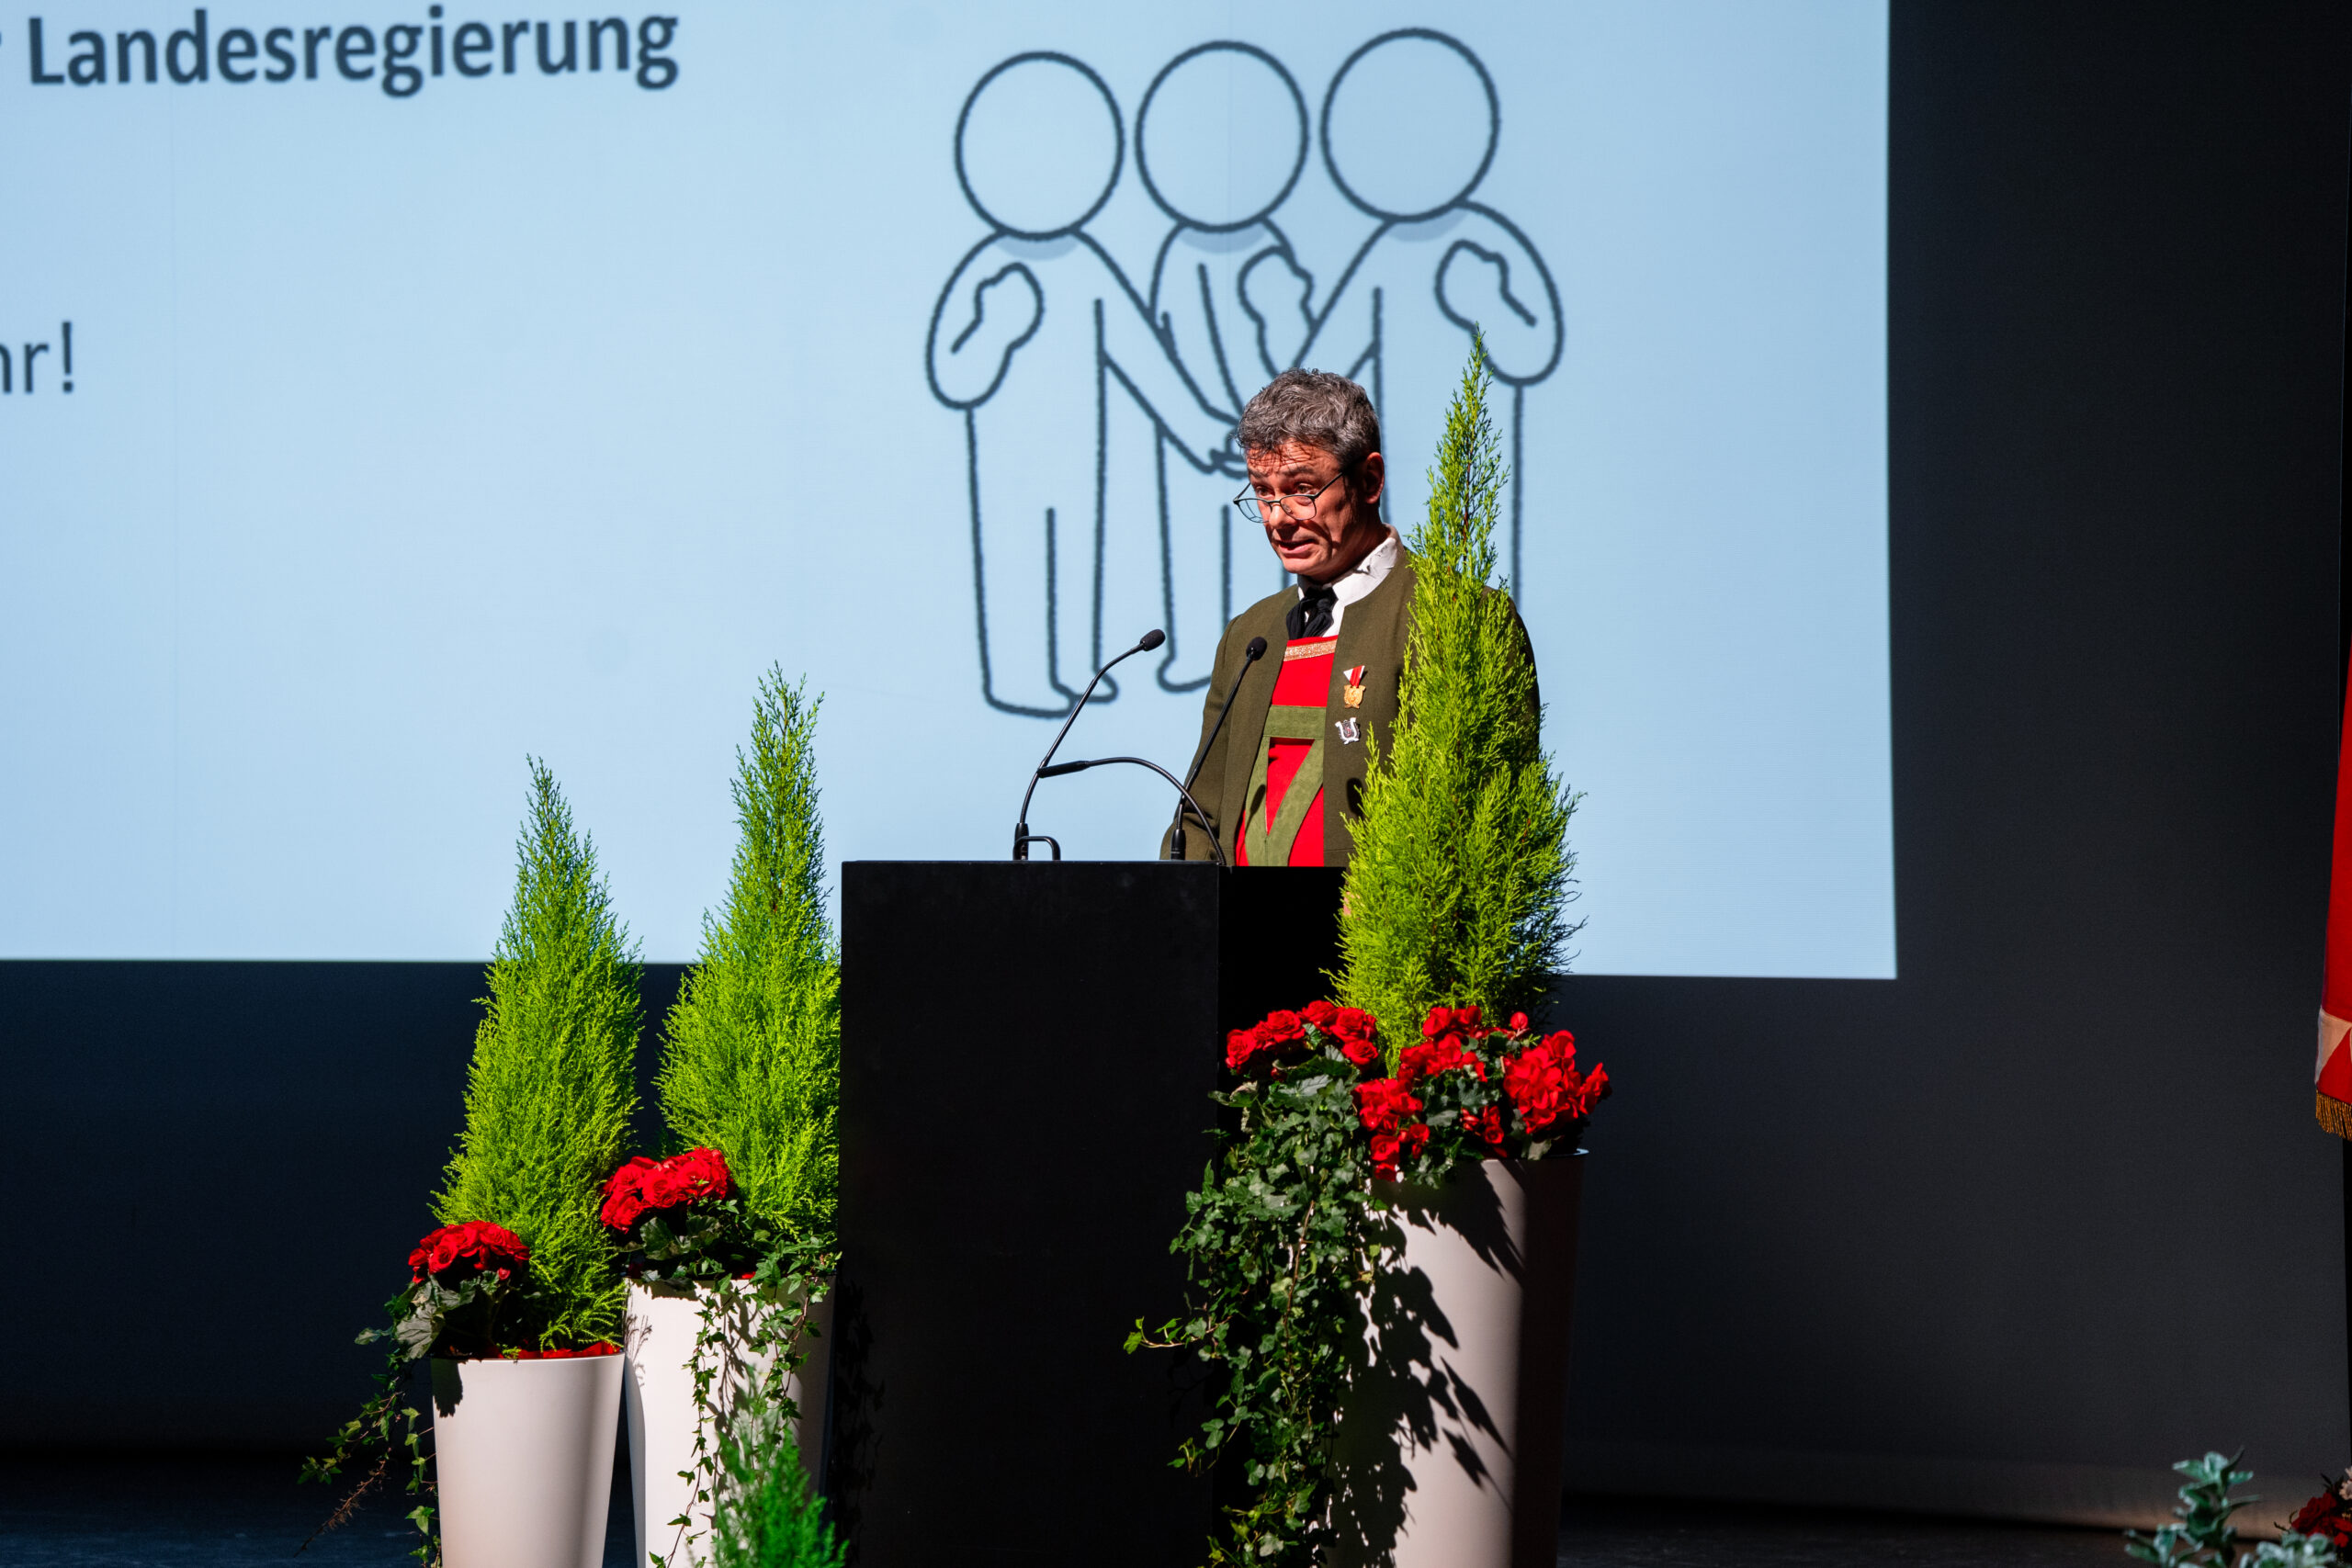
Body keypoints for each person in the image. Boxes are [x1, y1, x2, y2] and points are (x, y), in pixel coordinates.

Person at [1164, 368, 1536, 868]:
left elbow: (1488, 821)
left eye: (1302, 489)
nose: (1277, 518)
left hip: (1387, 918)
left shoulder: (1459, 617)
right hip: (1238, 921)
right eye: (1263, 492)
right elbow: (1199, 817)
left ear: (1370, 480)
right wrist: (1179, 907)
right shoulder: (1249, 634)